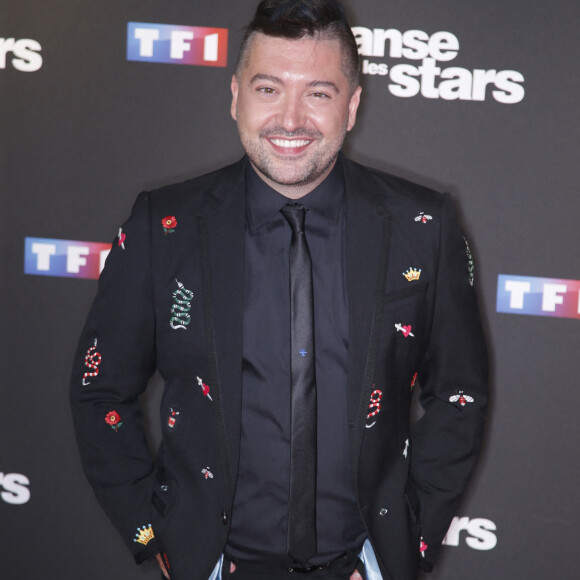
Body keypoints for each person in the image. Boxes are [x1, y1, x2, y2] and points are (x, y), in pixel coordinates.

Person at [70, 1, 488, 579]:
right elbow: (99, 390)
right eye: (269, 89)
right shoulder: (162, 226)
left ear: (352, 106)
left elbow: (460, 394)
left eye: (318, 92)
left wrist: (409, 539)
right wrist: (155, 532)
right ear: (236, 96)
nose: (290, 119)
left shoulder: (423, 226)